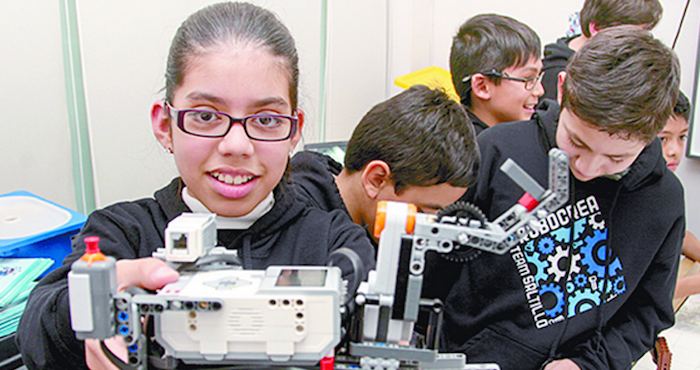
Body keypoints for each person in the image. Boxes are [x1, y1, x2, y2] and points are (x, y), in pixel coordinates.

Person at [16, 3, 375, 369]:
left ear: (294, 131)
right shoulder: (121, 234)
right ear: (164, 124)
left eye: (266, 119)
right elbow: (38, 333)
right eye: (206, 116)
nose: (236, 146)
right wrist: (92, 310)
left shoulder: (335, 243)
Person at [427, 26, 682, 370]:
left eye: (616, 159)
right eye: (577, 142)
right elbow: (433, 266)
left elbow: (648, 312)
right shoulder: (498, 150)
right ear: (562, 89)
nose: (588, 168)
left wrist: (587, 364)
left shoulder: (663, 199)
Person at [291, 85, 479, 236]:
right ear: (376, 179)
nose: (421, 232)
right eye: (421, 214)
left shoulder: (360, 225)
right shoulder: (305, 233)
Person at [541, 0, 662, 101]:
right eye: (628, 35)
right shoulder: (558, 74)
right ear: (596, 28)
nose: (638, 43)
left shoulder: (617, 62)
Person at [449, 14, 545, 135]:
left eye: (538, 77)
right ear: (482, 86)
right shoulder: (468, 150)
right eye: (528, 79)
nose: (540, 91)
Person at [658, 91, 700, 300]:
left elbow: (679, 233)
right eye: (663, 139)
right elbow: (643, 295)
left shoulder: (667, 187)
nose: (674, 150)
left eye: (682, 137)